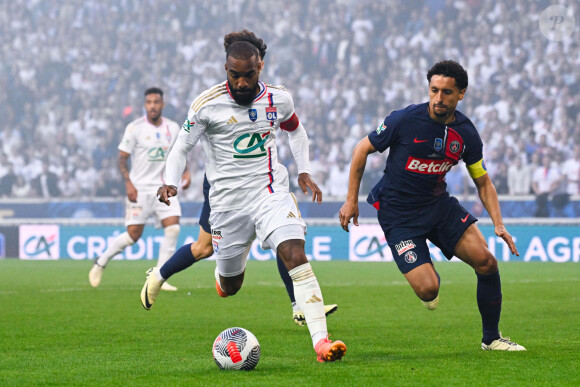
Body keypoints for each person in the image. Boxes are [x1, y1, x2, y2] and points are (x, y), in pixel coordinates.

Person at [143, 31, 346, 362]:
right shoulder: (206, 105)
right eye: (233, 74)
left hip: (269, 191)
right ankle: (219, 273)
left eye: (248, 75)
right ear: (225, 68)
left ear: (260, 67)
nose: (240, 82)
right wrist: (170, 181)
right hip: (226, 205)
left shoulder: (278, 99)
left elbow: (296, 130)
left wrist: (303, 170)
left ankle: (321, 343)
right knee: (230, 286)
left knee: (294, 252)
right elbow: (181, 146)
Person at [339, 60, 525, 351]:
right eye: (434, 90)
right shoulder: (404, 120)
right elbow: (361, 148)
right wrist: (351, 200)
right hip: (399, 215)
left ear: (461, 94)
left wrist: (498, 224)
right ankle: (425, 264)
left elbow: (483, 182)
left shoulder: (466, 133)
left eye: (447, 92)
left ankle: (492, 338)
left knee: (487, 262)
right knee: (428, 290)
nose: (439, 98)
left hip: (438, 207)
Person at [89, 87, 191, 291]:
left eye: (156, 102)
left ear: (162, 104)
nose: (152, 106)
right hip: (140, 187)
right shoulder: (135, 128)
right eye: (149, 102)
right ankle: (101, 261)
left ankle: (159, 277)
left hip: (164, 187)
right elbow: (122, 158)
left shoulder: (172, 127)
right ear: (145, 105)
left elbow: (178, 153)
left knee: (173, 228)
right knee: (133, 235)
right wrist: (128, 183)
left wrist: (186, 172)